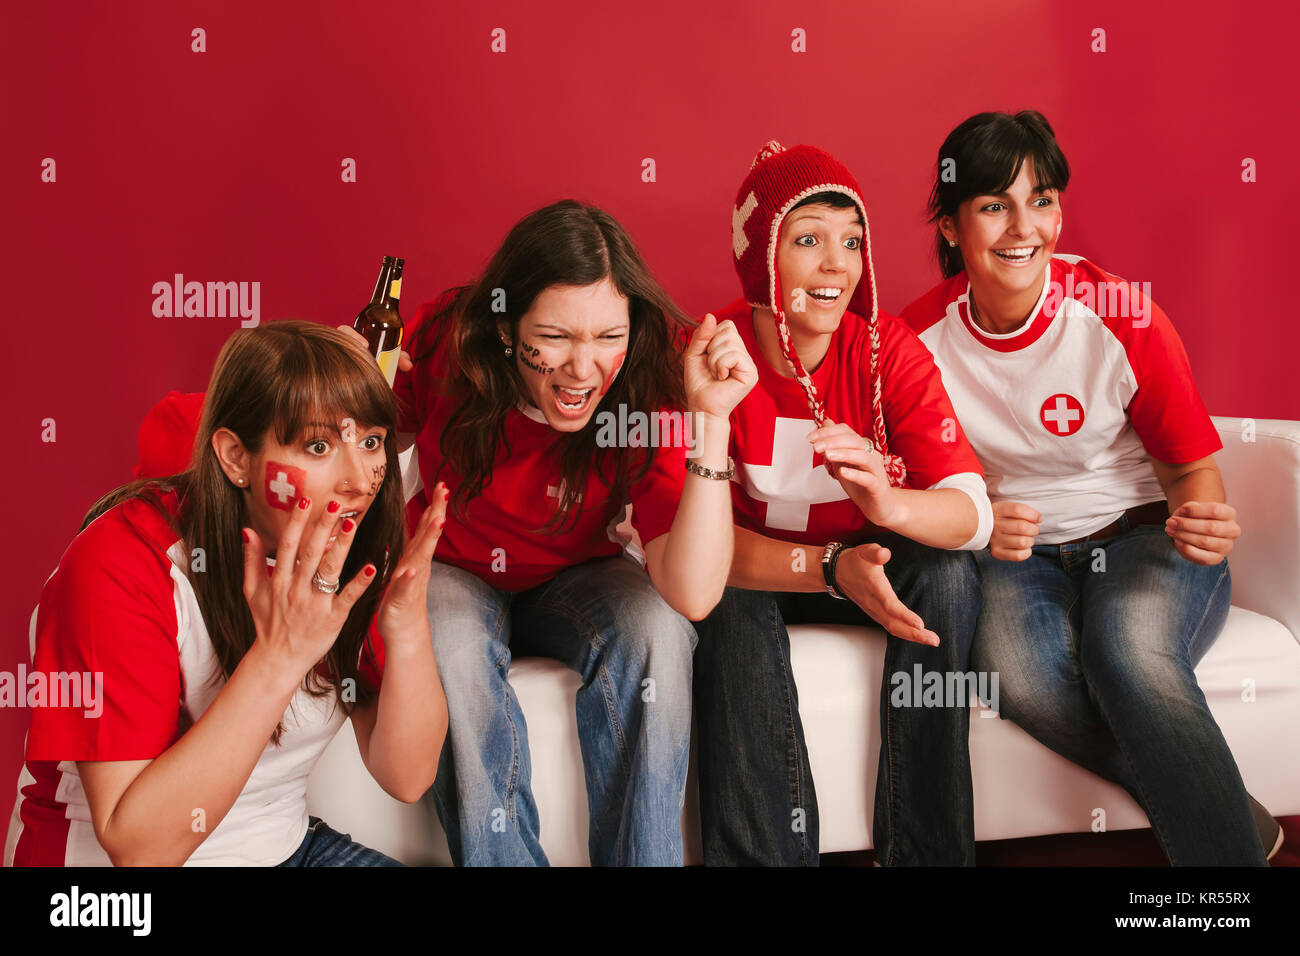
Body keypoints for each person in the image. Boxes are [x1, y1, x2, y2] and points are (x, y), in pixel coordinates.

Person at [902, 109, 1278, 865]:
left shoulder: (1119, 315)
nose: (1024, 226)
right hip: (1020, 557)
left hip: (1145, 536)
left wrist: (1206, 518)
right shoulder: (915, 343)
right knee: (1021, 675)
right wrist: (979, 517)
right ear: (949, 226)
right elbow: (929, 490)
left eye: (1042, 199)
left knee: (1127, 651)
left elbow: (1190, 472)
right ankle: (1229, 813)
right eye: (993, 205)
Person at [391, 199, 756, 866]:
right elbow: (369, 437)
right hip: (455, 567)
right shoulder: (446, 336)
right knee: (445, 646)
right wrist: (346, 383)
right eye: (555, 337)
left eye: (606, 337)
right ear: (506, 328)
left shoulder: (653, 373)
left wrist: (714, 420)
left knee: (657, 628)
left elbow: (694, 595)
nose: (583, 369)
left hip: (578, 574)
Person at [5, 321, 449, 866]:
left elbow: (406, 775)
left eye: (373, 441)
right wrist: (279, 656)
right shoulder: (120, 565)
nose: (359, 479)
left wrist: (406, 624)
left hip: (278, 849)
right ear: (236, 457)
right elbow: (137, 846)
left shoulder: (345, 551)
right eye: (318, 445)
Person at [692, 141, 994, 866]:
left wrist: (889, 505)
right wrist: (828, 566)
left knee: (948, 574)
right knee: (721, 606)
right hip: (768, 573)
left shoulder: (887, 349)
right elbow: (687, 547)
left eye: (852, 242)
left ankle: (927, 856)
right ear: (761, 260)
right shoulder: (710, 355)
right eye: (808, 241)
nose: (837, 265)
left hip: (865, 565)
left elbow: (971, 513)